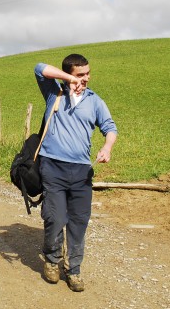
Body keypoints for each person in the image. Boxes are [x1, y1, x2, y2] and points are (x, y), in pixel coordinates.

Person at [34, 54, 117, 292]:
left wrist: (107, 147)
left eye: (88, 73)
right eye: (80, 74)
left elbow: (110, 127)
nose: (86, 78)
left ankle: (74, 269)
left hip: (82, 171)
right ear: (68, 74)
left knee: (79, 221)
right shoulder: (54, 93)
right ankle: (52, 259)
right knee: (55, 218)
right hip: (53, 166)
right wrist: (69, 80)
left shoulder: (94, 100)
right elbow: (39, 68)